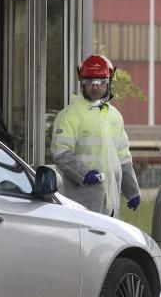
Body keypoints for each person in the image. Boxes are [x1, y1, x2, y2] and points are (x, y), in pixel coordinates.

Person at [50, 54, 141, 217]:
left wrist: (132, 190)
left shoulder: (115, 116)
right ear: (82, 82)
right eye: (89, 81)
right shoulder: (70, 115)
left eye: (99, 82)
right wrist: (83, 174)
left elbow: (123, 158)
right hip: (80, 203)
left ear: (108, 82)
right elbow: (61, 153)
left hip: (110, 203)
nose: (94, 86)